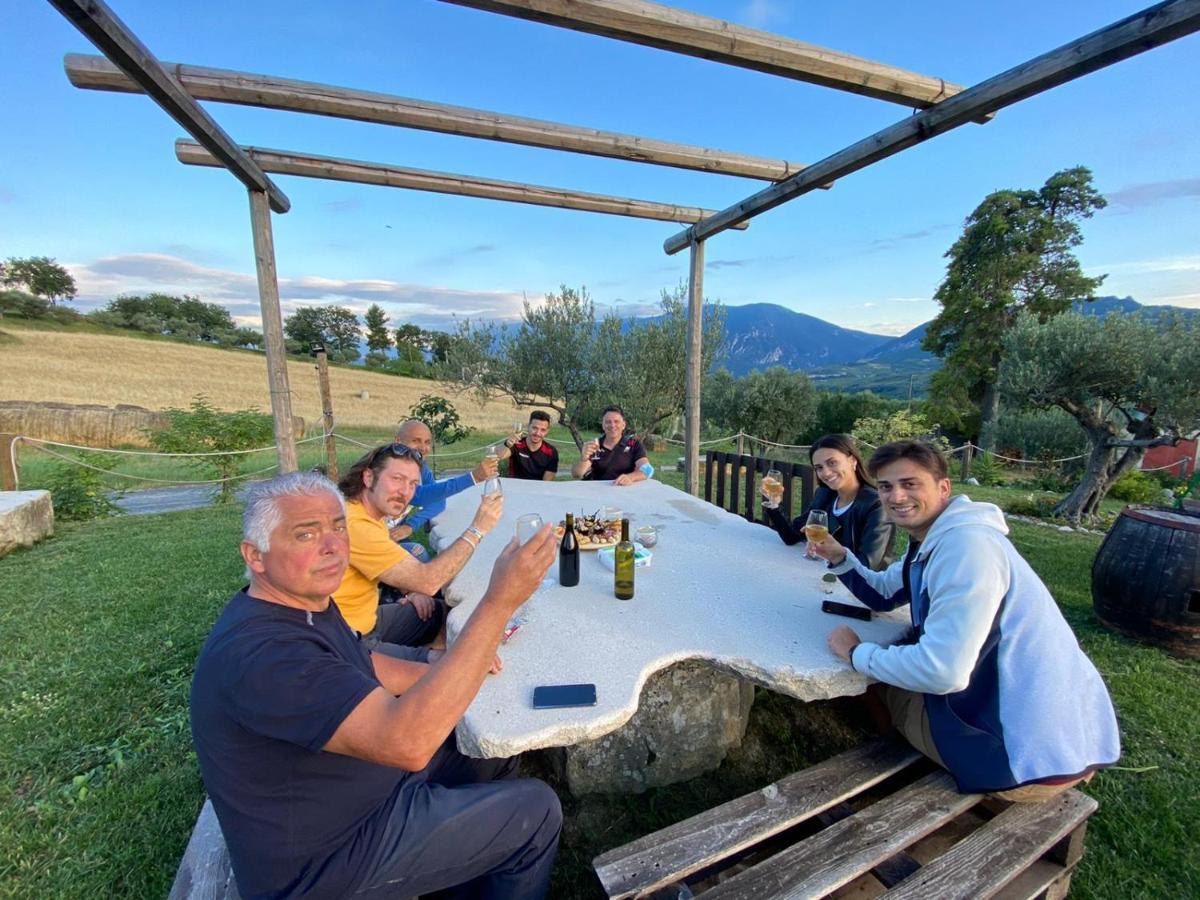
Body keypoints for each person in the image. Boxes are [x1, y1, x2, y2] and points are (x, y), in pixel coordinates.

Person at [191, 471, 562, 899]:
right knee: (536, 811)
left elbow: (362, 661)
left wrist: (447, 667)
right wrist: (500, 601)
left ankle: (459, 877)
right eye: (306, 534)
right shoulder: (264, 656)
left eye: (338, 527)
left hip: (358, 787)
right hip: (328, 858)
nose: (332, 547)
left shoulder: (302, 604)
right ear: (255, 556)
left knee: (487, 752)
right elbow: (409, 744)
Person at [809, 440, 1120, 799]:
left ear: (943, 487)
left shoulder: (966, 550)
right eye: (886, 486)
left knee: (867, 684)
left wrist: (856, 654)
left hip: (1023, 763)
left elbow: (942, 672)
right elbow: (883, 594)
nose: (896, 496)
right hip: (1068, 740)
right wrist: (840, 557)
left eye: (910, 484)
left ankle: (891, 777)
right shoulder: (941, 536)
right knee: (894, 657)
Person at [334, 443, 503, 662]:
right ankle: (427, 664)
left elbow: (385, 566)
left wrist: (410, 592)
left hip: (368, 618)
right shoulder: (356, 524)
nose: (405, 492)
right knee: (461, 665)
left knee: (440, 611)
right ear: (368, 477)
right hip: (346, 641)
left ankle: (429, 654)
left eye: (413, 484)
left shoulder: (366, 513)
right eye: (397, 479)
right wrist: (477, 529)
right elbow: (429, 581)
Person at [763, 434, 894, 570]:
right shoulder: (824, 494)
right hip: (824, 575)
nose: (826, 473)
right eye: (819, 467)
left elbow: (869, 566)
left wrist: (836, 554)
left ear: (853, 461)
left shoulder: (876, 505)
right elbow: (791, 536)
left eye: (832, 463)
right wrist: (774, 503)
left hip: (858, 582)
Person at [388, 418, 499, 557]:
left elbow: (439, 501)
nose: (423, 448)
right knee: (420, 554)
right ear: (398, 441)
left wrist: (410, 525)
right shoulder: (387, 467)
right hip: (369, 537)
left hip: (392, 534)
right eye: (416, 441)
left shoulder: (421, 468)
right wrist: (473, 477)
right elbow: (418, 496)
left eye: (427, 442)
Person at [571, 405, 651, 485]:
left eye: (616, 421)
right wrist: (583, 459)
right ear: (603, 425)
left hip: (622, 489)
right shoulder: (595, 445)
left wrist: (630, 477)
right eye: (608, 422)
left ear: (623, 425)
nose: (612, 425)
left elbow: (648, 470)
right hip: (597, 490)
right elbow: (577, 474)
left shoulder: (633, 444)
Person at [505, 410, 560, 481]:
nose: (537, 433)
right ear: (528, 426)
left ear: (547, 432)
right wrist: (507, 444)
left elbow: (546, 482)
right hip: (514, 486)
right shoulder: (517, 444)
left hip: (538, 487)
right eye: (534, 428)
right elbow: (498, 455)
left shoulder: (551, 452)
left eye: (543, 430)